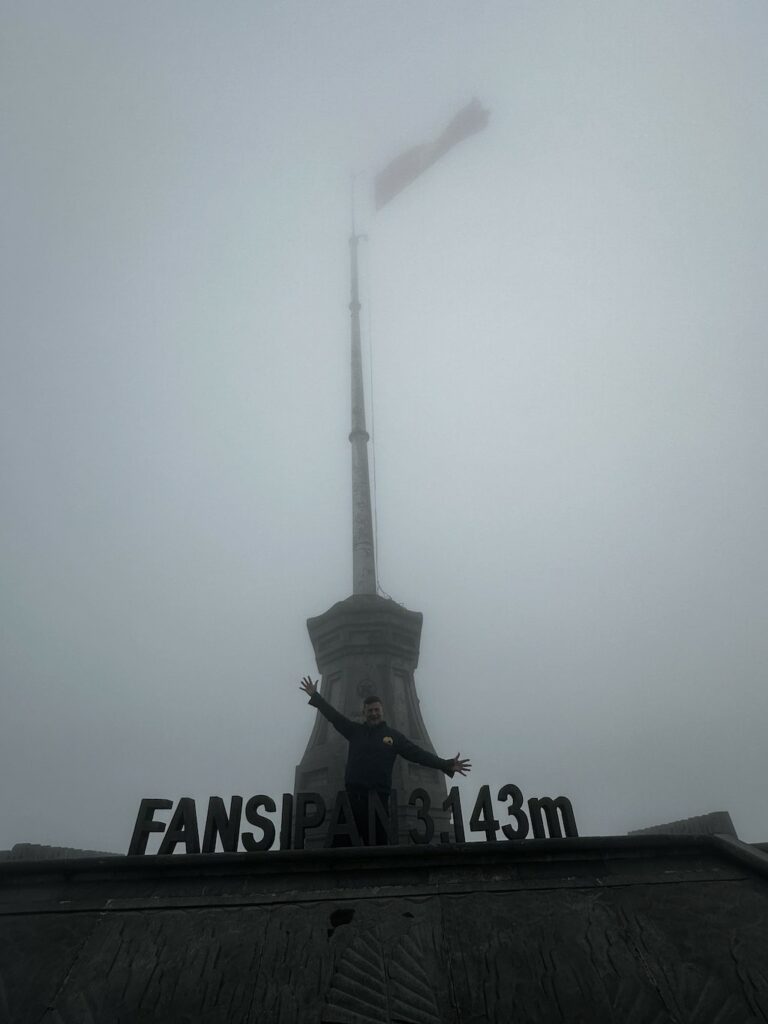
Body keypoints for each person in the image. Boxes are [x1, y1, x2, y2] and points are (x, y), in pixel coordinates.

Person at [299, 675, 471, 846]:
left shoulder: (393, 737)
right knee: (340, 851)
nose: (374, 714)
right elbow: (334, 717)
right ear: (364, 712)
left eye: (376, 710)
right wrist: (316, 696)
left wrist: (446, 764)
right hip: (351, 800)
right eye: (370, 711)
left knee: (378, 851)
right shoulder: (355, 731)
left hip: (378, 801)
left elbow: (418, 754)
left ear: (382, 712)